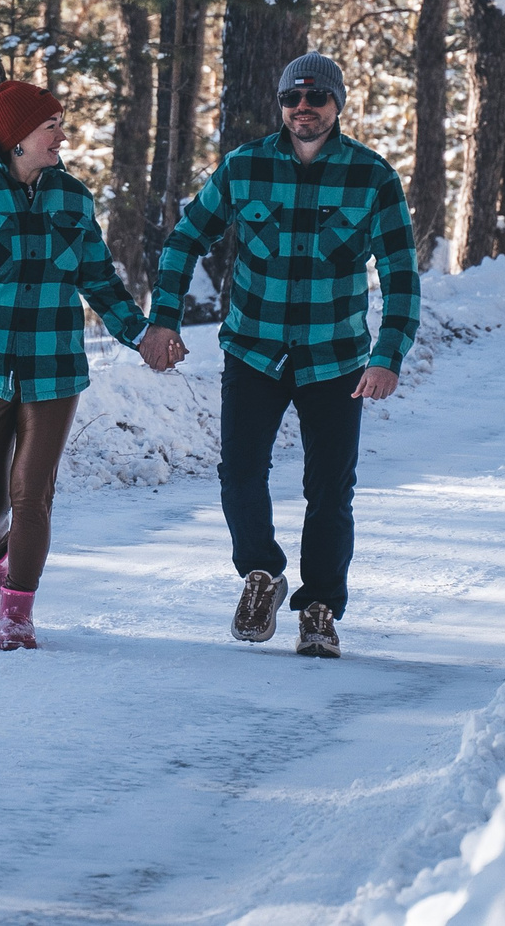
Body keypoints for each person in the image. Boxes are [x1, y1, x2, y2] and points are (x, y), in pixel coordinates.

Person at [137, 52, 418, 660]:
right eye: (293, 99)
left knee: (329, 489)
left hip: (336, 359)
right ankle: (260, 576)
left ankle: (319, 608)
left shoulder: (373, 178)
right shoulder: (245, 167)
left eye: (316, 98)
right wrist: (164, 318)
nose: (304, 109)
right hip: (254, 350)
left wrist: (388, 354)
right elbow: (186, 238)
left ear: (338, 104)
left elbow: (401, 275)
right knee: (239, 475)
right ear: (282, 106)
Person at [0, 79, 151, 649]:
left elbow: (96, 277)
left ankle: (19, 610)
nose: (62, 136)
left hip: (54, 365)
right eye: (52, 126)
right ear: (17, 136)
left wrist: (140, 334)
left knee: (32, 493)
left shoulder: (73, 198)